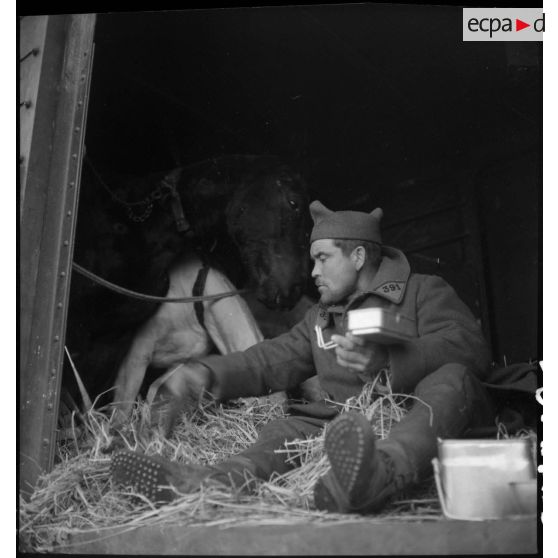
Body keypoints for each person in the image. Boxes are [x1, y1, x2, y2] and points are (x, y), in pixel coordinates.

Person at [111, 200, 496, 513]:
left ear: (359, 256)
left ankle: (381, 472)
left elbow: (470, 347)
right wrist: (202, 376)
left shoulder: (422, 291)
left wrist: (389, 362)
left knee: (452, 379)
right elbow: (266, 360)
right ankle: (212, 483)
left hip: (416, 415)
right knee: (287, 430)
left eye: (323, 258)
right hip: (347, 425)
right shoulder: (320, 319)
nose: (312, 272)